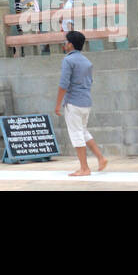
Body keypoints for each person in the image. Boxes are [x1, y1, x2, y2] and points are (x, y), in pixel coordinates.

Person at [54, 30, 108, 176]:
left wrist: (58, 104)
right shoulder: (87, 62)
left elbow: (63, 84)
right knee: (83, 132)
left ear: (70, 45)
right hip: (86, 102)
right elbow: (90, 81)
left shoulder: (68, 60)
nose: (64, 44)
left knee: (77, 134)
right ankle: (101, 158)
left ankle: (84, 168)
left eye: (66, 42)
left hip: (73, 102)